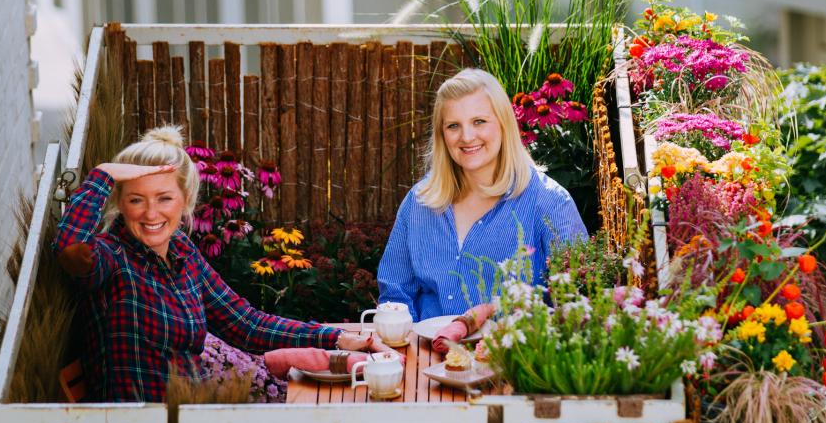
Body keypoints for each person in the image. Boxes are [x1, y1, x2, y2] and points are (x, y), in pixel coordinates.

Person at [53, 126, 380, 402]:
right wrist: (103, 176)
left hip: (192, 420)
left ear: (185, 199)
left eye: (164, 197)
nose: (151, 214)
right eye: (136, 199)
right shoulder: (112, 258)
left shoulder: (181, 252)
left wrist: (334, 338)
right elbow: (68, 248)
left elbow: (246, 324)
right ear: (120, 203)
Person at [378, 68, 588, 321]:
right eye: (453, 126)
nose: (466, 137)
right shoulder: (420, 201)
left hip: (511, 356)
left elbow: (575, 303)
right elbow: (395, 296)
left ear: (503, 123)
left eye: (479, 122)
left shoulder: (550, 202)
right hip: (428, 354)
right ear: (441, 135)